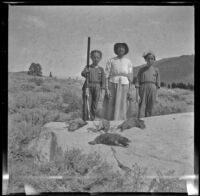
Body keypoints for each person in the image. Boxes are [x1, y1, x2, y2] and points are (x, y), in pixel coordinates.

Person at [103, 43, 134, 120]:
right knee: (111, 102)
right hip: (112, 83)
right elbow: (106, 75)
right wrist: (106, 89)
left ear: (125, 50)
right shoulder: (111, 60)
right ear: (116, 50)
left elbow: (130, 76)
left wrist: (130, 90)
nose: (121, 49)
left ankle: (122, 120)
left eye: (122, 48)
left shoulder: (128, 61)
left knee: (123, 103)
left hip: (125, 83)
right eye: (119, 48)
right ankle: (111, 120)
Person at [81, 50, 106, 121]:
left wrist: (103, 89)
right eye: (94, 57)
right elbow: (83, 74)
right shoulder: (88, 67)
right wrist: (86, 72)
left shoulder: (101, 69)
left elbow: (103, 80)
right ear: (91, 57)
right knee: (87, 103)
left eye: (98, 57)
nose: (96, 59)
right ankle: (86, 119)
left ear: (100, 58)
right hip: (88, 86)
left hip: (97, 87)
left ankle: (93, 119)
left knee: (95, 104)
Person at [135, 51, 160, 118]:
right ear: (145, 59)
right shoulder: (141, 70)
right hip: (143, 88)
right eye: (148, 58)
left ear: (154, 60)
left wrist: (156, 96)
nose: (150, 60)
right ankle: (140, 121)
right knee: (142, 106)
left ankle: (149, 122)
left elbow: (158, 84)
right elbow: (137, 82)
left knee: (151, 106)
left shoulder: (156, 70)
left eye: (152, 58)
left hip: (153, 89)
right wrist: (137, 95)